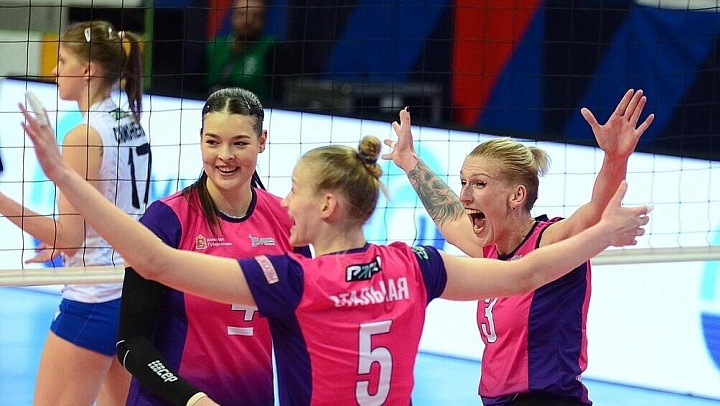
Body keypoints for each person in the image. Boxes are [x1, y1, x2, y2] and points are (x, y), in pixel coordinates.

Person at [20, 98, 650, 405]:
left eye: (294, 190)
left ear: (326, 206)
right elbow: (520, 273)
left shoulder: (297, 281)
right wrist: (601, 235)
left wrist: (65, 176)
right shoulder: (414, 264)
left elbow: (155, 261)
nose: (282, 201)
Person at [383, 89, 655, 405]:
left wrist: (615, 158)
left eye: (479, 184)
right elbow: (449, 214)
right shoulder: (489, 248)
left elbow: (596, 215)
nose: (464, 195)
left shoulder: (551, 242)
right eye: (463, 182)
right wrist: (409, 161)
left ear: (516, 196)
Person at [117, 87, 310, 405]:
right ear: (200, 140)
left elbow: (305, 328)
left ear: (262, 141)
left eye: (240, 143)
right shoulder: (167, 219)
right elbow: (131, 343)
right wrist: (193, 400)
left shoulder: (287, 220)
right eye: (213, 142)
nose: (225, 156)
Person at [2, 20, 150, 405]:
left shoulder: (83, 135)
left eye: (63, 60)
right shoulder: (129, 121)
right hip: (132, 292)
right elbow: (110, 209)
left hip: (93, 297)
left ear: (87, 70)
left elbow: (70, 237)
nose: (54, 70)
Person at [205, 0, 278, 104]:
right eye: (242, 14)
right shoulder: (214, 46)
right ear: (232, 16)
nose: (248, 21)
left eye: (256, 16)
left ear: (264, 20)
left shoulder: (272, 50)